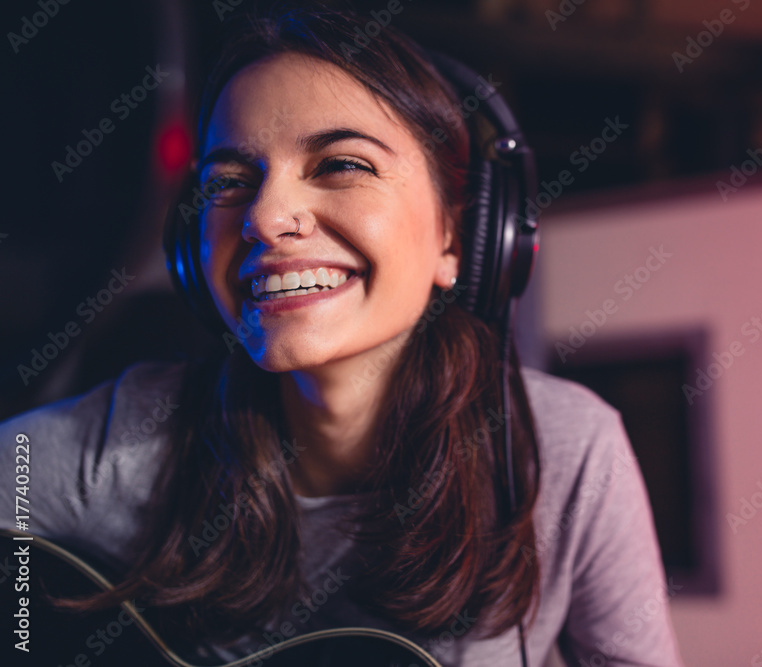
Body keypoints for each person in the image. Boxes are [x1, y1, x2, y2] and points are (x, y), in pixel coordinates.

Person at [0, 3, 684, 665]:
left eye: (340, 165)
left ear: (460, 239)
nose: (266, 217)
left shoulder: (565, 454)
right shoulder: (139, 437)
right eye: (229, 182)